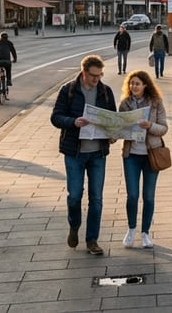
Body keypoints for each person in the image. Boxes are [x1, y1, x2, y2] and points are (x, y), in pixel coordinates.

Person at [50, 55, 116, 256]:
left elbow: (113, 118)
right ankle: (74, 225)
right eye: (93, 76)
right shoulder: (68, 90)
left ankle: (92, 240)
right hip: (74, 153)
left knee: (96, 198)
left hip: (97, 153)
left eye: (100, 75)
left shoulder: (105, 91)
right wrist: (73, 122)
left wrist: (113, 134)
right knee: (75, 196)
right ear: (84, 73)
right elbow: (55, 117)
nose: (97, 80)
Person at [118, 70, 168, 249]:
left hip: (151, 154)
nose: (134, 87)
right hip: (131, 155)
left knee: (148, 196)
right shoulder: (125, 103)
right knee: (132, 195)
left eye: (137, 83)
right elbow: (119, 126)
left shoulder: (155, 103)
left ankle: (145, 232)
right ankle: (131, 229)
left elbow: (163, 128)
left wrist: (150, 126)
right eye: (131, 83)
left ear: (145, 85)